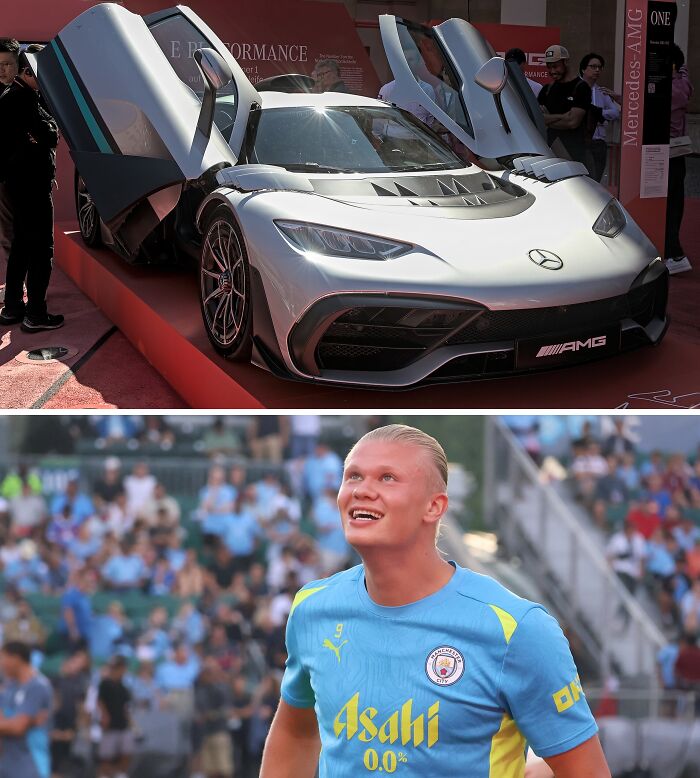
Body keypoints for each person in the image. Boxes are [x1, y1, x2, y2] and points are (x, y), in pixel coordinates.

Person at [261, 424, 610, 777]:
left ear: (434, 506)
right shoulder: (313, 607)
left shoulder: (516, 630)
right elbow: (296, 732)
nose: (362, 490)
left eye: (387, 478)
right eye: (353, 476)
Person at [0, 39, 62, 331]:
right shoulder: (23, 100)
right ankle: (36, 314)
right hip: (32, 187)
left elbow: (43, 135)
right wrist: (48, 131)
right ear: (29, 72)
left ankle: (13, 307)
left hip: (18, 184)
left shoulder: (14, 95)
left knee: (22, 247)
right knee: (40, 250)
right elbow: (50, 136)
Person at [0, 640, 54, 778]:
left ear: (16, 659)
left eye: (3, 658)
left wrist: (12, 723)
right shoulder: (10, 687)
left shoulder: (37, 686)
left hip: (31, 765)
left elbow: (18, 728)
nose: (1, 664)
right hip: (7, 765)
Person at [537, 44, 592, 167]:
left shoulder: (581, 88)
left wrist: (548, 120)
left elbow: (572, 122)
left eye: (555, 66)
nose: (552, 71)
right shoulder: (547, 90)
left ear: (566, 62)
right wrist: (563, 116)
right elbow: (538, 119)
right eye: (549, 67)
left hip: (574, 156)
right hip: (550, 155)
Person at [665, 43, 693, 275]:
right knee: (675, 202)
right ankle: (673, 252)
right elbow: (684, 72)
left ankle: (675, 253)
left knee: (670, 204)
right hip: (677, 154)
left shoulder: (671, 90)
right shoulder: (684, 82)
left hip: (667, 153)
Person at [578, 53, 620, 182]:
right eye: (593, 66)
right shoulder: (576, 88)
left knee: (596, 180)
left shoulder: (601, 91)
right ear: (583, 69)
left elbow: (615, 112)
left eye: (599, 67)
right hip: (580, 141)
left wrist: (597, 114)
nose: (597, 70)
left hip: (599, 142)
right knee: (584, 181)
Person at [97, 655, 134, 778]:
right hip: (110, 726)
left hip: (122, 724)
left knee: (126, 752)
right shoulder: (105, 684)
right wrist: (104, 716)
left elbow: (126, 708)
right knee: (106, 755)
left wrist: (131, 722)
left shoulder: (123, 687)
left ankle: (119, 773)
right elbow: (100, 702)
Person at [0, 38, 19, 270]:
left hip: (26, 175)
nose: (1, 70)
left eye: (6, 64)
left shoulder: (31, 93)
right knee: (6, 232)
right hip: (3, 175)